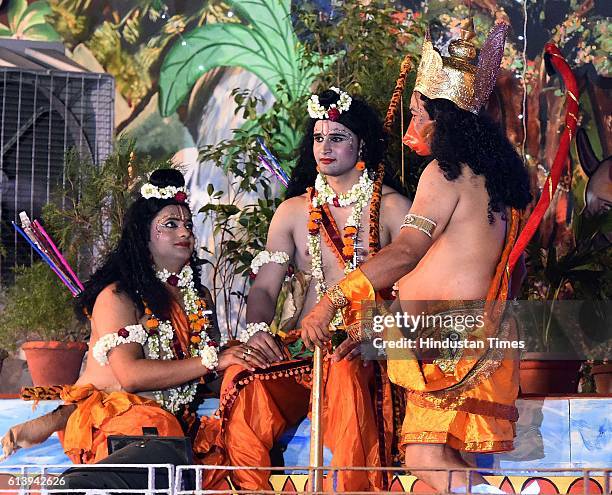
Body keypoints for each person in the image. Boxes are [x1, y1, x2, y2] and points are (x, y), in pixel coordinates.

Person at [301, 22, 532, 494]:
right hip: (468, 334)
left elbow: (406, 252)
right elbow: (501, 270)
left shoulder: (444, 173)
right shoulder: (494, 179)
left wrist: (332, 301)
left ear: (438, 117)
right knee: (441, 468)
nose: (410, 128)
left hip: (451, 340)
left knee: (425, 456)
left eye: (415, 114)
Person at [210, 87, 412, 492]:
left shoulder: (391, 208)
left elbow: (413, 288)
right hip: (301, 345)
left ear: (362, 146)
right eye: (319, 138)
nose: (325, 147)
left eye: (337, 138)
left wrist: (374, 331)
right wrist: (258, 331)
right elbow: (265, 289)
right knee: (243, 376)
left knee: (345, 370)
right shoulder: (292, 212)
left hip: (363, 347)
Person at [1, 169, 268, 470]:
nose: (185, 233)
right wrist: (213, 361)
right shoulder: (119, 295)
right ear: (143, 234)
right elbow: (129, 375)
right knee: (156, 428)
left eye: (188, 225)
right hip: (115, 420)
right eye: (171, 224)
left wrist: (247, 366)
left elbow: (205, 375)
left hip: (177, 420)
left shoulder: (198, 295)